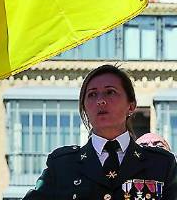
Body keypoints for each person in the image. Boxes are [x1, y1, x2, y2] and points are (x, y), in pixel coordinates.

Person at [24, 64, 177, 200]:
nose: (100, 101)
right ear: (84, 108)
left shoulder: (161, 164)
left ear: (131, 106)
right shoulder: (62, 165)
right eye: (92, 94)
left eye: (110, 92)